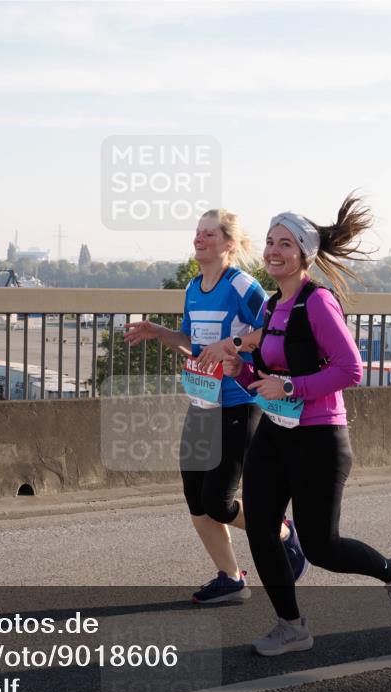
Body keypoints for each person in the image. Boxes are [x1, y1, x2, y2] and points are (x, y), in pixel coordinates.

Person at [222, 195, 391, 655]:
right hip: (275, 433)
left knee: (322, 547)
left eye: (285, 244)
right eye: (270, 241)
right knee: (262, 527)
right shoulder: (272, 307)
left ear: (304, 254)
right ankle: (291, 626)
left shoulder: (318, 302)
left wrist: (291, 387)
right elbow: (271, 380)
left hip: (319, 438)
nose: (273, 251)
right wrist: (242, 373)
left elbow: (351, 370)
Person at [124, 209, 308, 605]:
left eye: (209, 234)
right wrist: (158, 332)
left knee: (219, 503)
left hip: (239, 402)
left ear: (229, 243)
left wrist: (233, 346)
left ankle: (282, 532)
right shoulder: (193, 287)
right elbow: (191, 343)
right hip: (203, 401)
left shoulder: (241, 285)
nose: (199, 239)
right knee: (195, 499)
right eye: (197, 232)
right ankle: (231, 578)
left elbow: (272, 329)